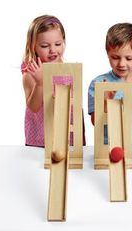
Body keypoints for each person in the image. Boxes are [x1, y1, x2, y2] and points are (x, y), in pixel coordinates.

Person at [88, 23, 132, 151]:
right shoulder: (99, 83)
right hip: (109, 150)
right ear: (107, 53)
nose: (121, 64)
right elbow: (95, 122)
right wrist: (106, 103)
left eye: (129, 58)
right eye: (115, 57)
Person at [22, 15, 85, 147]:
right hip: (41, 138)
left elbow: (75, 106)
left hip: (67, 136)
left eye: (58, 44)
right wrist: (40, 84)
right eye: (45, 46)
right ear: (33, 47)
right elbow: (33, 107)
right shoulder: (31, 73)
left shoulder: (67, 69)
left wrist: (81, 137)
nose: (53, 50)